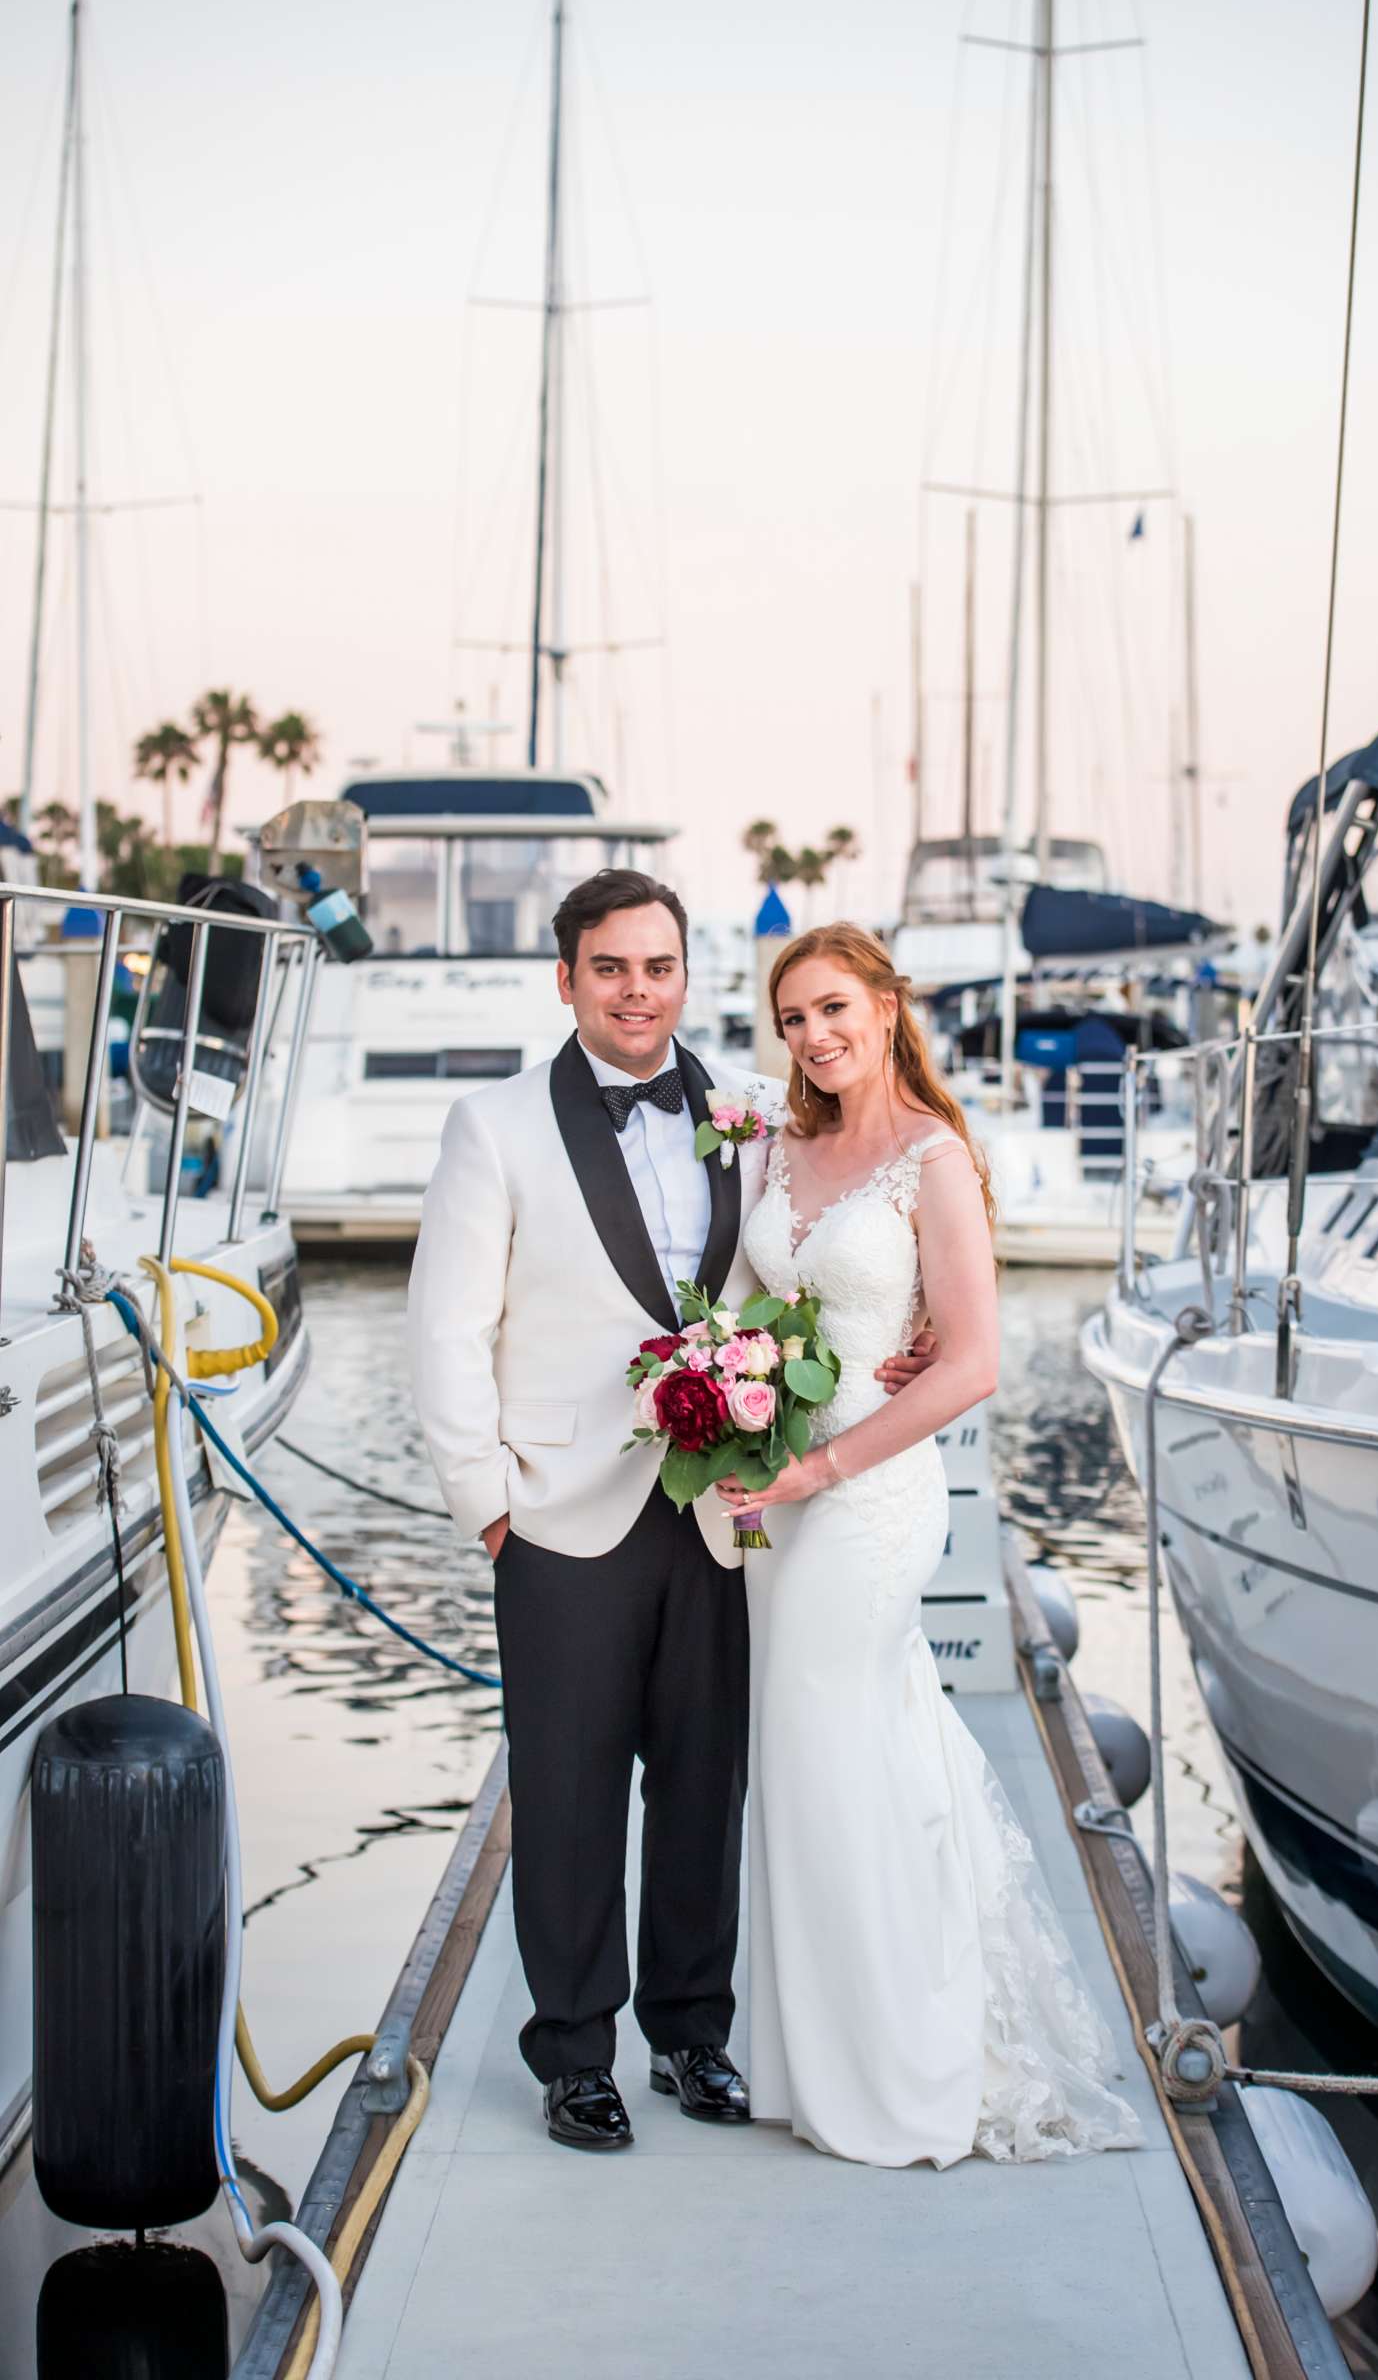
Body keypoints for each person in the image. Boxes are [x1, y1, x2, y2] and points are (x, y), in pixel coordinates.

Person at [406, 871, 928, 2153]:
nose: (638, 991)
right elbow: (444, 1335)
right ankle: (574, 2052)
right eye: (611, 969)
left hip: (722, 1510)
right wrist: (488, 1512)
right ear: (569, 980)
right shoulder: (495, 1126)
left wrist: (906, 1333)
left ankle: (695, 2037)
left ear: (687, 976)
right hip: (557, 1515)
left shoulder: (755, 1115)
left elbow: (820, 1247)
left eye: (659, 967)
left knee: (703, 1783)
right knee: (570, 1790)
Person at [721, 921, 1141, 2167]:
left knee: (834, 1746)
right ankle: (813, 2057)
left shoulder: (933, 1160)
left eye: (835, 1006)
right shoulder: (782, 1148)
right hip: (778, 1493)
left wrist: (826, 1459)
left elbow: (971, 1365)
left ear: (891, 1005)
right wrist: (726, 1398)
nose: (816, 1034)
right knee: (816, 1761)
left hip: (870, 1490)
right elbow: (755, 1316)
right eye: (794, 1018)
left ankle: (902, 2072)